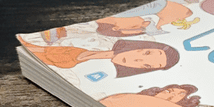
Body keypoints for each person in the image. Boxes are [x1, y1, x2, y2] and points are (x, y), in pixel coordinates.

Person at [21, 39, 179, 77]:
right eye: (146, 53)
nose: (137, 60)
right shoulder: (95, 42)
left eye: (147, 65)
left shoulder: (101, 74)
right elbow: (33, 47)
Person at [95, 0, 191, 37]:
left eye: (136, 27)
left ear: (116, 28)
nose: (145, 22)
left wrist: (164, 15)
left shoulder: (122, 12)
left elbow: (185, 12)